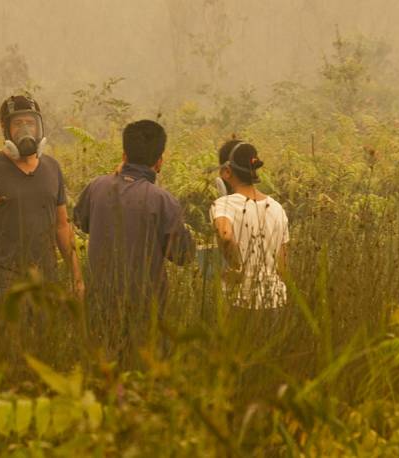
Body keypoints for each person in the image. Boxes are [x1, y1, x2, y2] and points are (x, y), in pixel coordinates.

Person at [0, 96, 84, 334]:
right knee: (9, 347)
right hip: (3, 279)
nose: (25, 129)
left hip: (45, 279)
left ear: (39, 126)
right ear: (4, 128)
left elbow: (62, 226)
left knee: (45, 346)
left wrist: (76, 277)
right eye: (18, 124)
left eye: (30, 122)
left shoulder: (52, 168)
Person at [74, 119, 193, 363]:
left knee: (102, 370)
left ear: (124, 154)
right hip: (145, 310)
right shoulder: (163, 201)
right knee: (139, 375)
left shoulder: (97, 187)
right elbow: (184, 255)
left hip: (98, 304)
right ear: (159, 162)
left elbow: (81, 221)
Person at [211, 140, 290, 316]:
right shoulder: (277, 207)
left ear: (226, 171)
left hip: (240, 303)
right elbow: (283, 267)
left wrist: (236, 268)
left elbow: (225, 235)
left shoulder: (223, 205)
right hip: (276, 301)